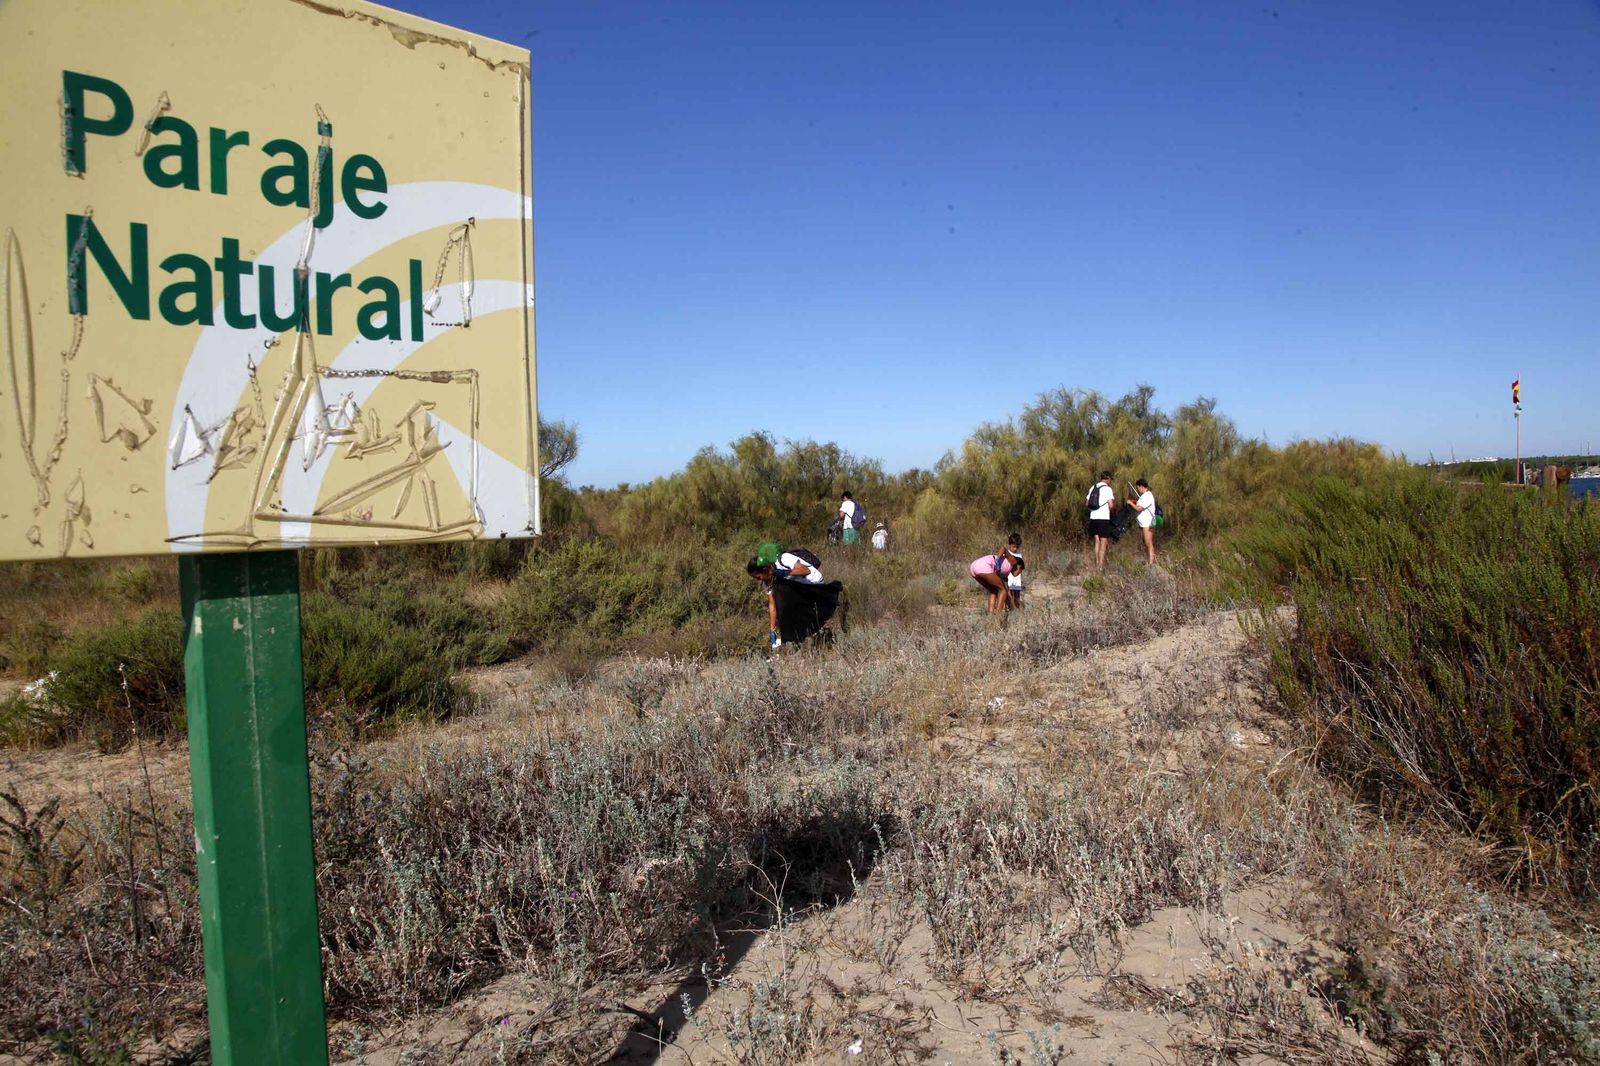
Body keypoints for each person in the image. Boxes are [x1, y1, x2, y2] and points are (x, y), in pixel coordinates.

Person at [747, 546, 843, 648]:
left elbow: (805, 570)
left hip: (814, 585)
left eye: (758, 577)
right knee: (780, 597)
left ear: (765, 569)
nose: (759, 580)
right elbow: (772, 605)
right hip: (799, 591)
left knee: (781, 591)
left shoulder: (783, 559)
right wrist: (772, 630)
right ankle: (799, 636)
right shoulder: (768, 582)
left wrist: (785, 573)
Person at [968, 538, 1021, 614]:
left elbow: (1006, 589)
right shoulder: (1013, 560)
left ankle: (991, 616)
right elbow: (1003, 548)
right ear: (1018, 566)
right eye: (1019, 570)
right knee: (1002, 590)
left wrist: (1013, 606)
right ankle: (997, 617)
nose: (1018, 573)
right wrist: (997, 560)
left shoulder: (1006, 573)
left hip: (973, 567)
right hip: (983, 565)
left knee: (993, 591)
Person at [1086, 471, 1118, 569]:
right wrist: (1114, 511)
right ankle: (1100, 566)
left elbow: (1087, 503)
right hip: (1103, 518)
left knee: (1097, 541)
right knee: (1104, 542)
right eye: (1110, 479)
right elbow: (1111, 505)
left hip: (1093, 517)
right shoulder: (1108, 489)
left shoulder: (1093, 487)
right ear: (1108, 479)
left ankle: (1096, 563)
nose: (1110, 481)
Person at [1125, 478, 1158, 565]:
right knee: (1145, 542)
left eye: (1138, 488)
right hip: (1143, 523)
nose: (1138, 490)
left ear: (1142, 486)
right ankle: (1149, 560)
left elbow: (1139, 508)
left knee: (1148, 542)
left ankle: (1152, 562)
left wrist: (1130, 503)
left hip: (1148, 523)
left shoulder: (1148, 496)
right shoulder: (1144, 496)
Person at [1003, 532, 1025, 608]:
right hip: (1009, 579)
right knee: (1009, 596)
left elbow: (1020, 566)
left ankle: (1017, 611)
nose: (1015, 549)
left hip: (1017, 579)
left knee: (1017, 597)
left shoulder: (1019, 554)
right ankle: (1009, 609)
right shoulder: (1006, 553)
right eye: (1013, 546)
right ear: (1009, 545)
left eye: (1017, 547)